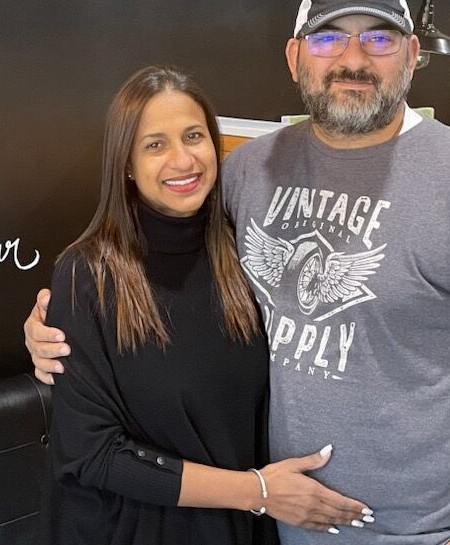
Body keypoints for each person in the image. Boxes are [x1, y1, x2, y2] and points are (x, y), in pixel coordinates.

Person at [27, 0, 450, 545]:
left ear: (412, 54)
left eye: (380, 38)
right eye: (328, 38)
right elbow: (146, 259)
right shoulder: (246, 173)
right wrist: (59, 322)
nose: (353, 58)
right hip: (269, 530)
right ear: (295, 57)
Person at [45, 65, 372, 545]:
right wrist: (256, 491)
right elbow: (92, 452)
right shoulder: (87, 275)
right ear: (126, 164)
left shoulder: (239, 254)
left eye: (194, 136)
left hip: (242, 527)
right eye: (155, 144)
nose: (183, 159)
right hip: (132, 530)